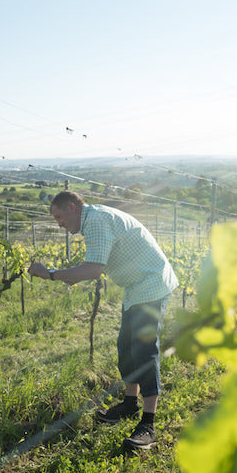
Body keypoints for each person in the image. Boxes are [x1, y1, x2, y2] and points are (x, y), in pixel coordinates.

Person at [28, 191, 178, 451]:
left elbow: (93, 270)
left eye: (59, 216)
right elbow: (91, 268)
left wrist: (50, 274)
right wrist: (66, 275)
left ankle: (148, 425)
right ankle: (130, 404)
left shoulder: (96, 220)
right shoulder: (93, 219)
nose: (59, 224)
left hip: (151, 283)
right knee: (126, 348)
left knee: (144, 351)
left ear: (73, 207)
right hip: (136, 287)